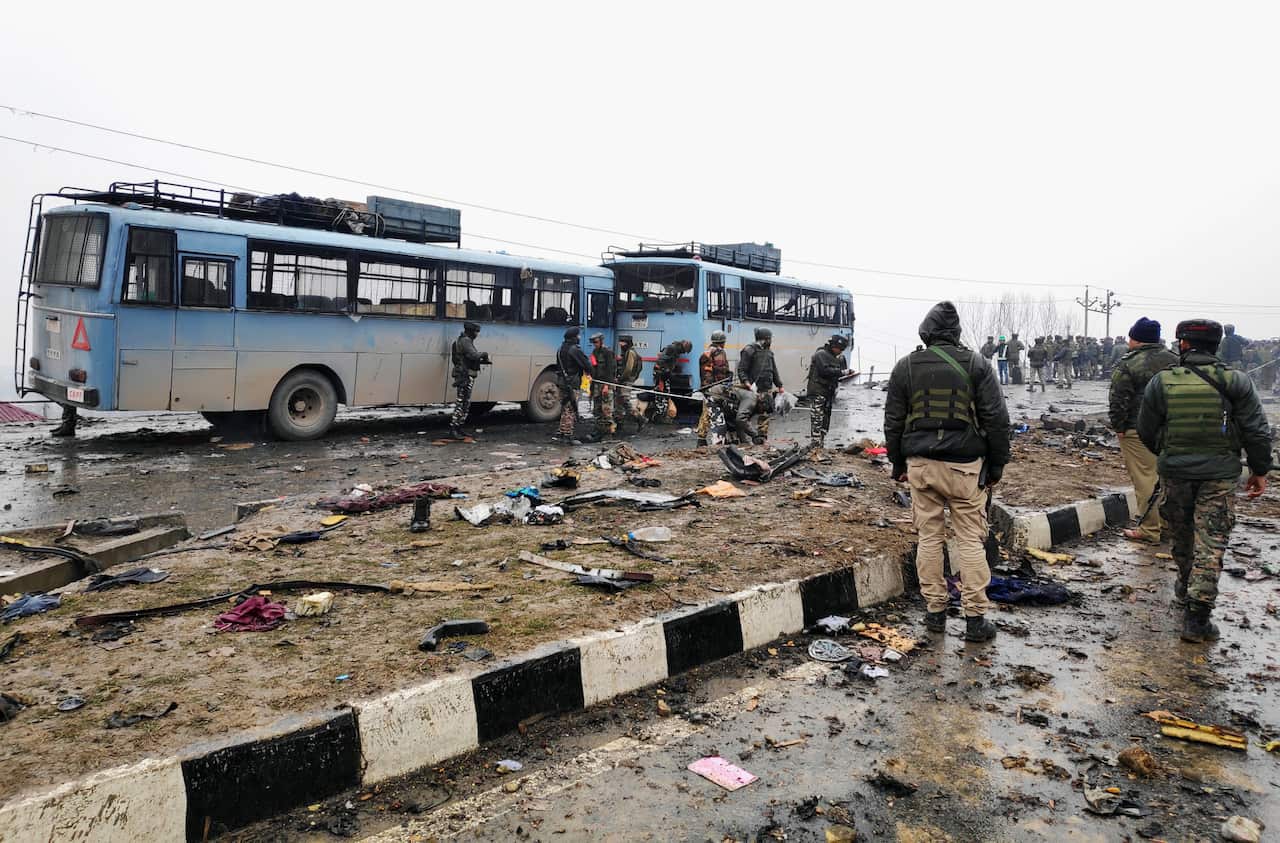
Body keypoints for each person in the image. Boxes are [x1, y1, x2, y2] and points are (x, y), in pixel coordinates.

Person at [1136, 319, 1272, 642]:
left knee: (1182, 539)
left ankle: (1187, 592)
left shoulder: (1162, 382)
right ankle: (1197, 619)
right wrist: (1259, 470)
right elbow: (1256, 430)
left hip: (1176, 474)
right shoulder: (1236, 381)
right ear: (1217, 346)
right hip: (1219, 476)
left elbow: (1146, 429)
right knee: (1211, 543)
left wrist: (1168, 453)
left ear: (1182, 344)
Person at [884, 302, 1011, 643]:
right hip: (965, 468)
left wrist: (898, 464)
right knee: (970, 539)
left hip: (921, 467)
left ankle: (935, 613)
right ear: (955, 334)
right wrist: (997, 464)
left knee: (929, 537)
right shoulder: (977, 364)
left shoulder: (905, 367)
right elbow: (996, 419)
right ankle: (974, 619)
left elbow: (894, 421)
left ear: (926, 333)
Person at [1108, 317, 1178, 543]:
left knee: (1146, 478)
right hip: (1173, 428)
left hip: (1137, 429)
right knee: (1168, 478)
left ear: (1135, 339)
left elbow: (1119, 397)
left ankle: (1149, 529)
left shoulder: (1131, 363)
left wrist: (1119, 426)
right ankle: (1168, 525)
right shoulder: (1176, 360)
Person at [735, 327, 783, 444]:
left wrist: (779, 385)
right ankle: (744, 438)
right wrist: (747, 384)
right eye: (769, 339)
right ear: (764, 339)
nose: (770, 341)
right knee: (747, 415)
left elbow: (773, 370)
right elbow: (742, 370)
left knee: (765, 415)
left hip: (766, 390)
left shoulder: (769, 352)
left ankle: (761, 439)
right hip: (752, 390)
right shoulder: (749, 350)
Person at [806, 334, 850, 448]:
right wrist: (842, 372)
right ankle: (815, 444)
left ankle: (821, 441)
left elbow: (837, 374)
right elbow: (824, 371)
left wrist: (847, 375)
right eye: (839, 349)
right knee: (817, 417)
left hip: (829, 391)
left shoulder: (837, 358)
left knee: (826, 417)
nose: (840, 351)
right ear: (833, 345)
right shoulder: (821, 354)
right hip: (818, 390)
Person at [449, 321, 489, 439]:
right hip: (464, 375)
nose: (477, 334)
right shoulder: (465, 341)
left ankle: (459, 428)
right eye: (476, 331)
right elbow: (473, 355)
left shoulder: (463, 340)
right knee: (461, 403)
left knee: (465, 403)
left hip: (465, 374)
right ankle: (454, 429)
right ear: (470, 331)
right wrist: (484, 354)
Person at [552, 327, 592, 444]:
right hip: (571, 383)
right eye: (578, 336)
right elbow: (587, 365)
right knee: (570, 408)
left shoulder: (560, 349)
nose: (579, 337)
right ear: (574, 337)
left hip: (561, 382)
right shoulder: (574, 350)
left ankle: (561, 432)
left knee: (565, 407)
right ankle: (567, 435)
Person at [695, 330, 732, 447]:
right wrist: (727, 377)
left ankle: (701, 438)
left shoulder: (706, 352)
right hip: (715, 387)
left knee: (706, 410)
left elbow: (706, 372)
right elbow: (721, 370)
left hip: (706, 386)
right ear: (722, 342)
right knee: (715, 412)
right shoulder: (719, 352)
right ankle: (715, 439)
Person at [651, 339, 692, 423]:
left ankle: (662, 415)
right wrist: (662, 374)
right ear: (683, 347)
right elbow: (661, 361)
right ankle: (659, 417)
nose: (683, 353)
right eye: (684, 351)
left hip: (663, 374)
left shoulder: (674, 349)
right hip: (661, 375)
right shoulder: (672, 349)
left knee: (664, 394)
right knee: (661, 395)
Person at [587, 332, 616, 442]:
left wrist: (606, 385)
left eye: (596, 342)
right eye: (593, 343)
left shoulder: (608, 352)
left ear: (601, 341)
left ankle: (608, 434)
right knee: (597, 409)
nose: (595, 344)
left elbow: (610, 370)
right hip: (596, 384)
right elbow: (594, 368)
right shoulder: (595, 352)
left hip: (605, 384)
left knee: (606, 409)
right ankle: (599, 431)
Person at [613, 335, 644, 433]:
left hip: (626, 380)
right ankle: (619, 423)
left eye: (623, 342)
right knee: (618, 401)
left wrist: (620, 378)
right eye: (620, 342)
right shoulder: (627, 351)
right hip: (624, 380)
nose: (621, 344)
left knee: (624, 399)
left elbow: (628, 369)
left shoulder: (630, 352)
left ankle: (639, 418)